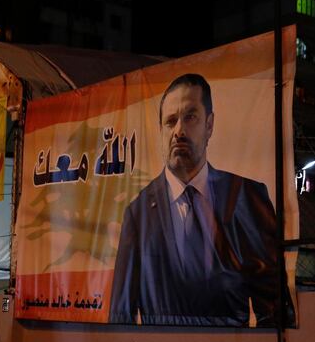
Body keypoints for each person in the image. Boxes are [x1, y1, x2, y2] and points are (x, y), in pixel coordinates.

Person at [110, 73, 277, 326]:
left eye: (190, 117)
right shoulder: (139, 213)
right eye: (170, 121)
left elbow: (274, 307)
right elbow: (121, 314)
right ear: (161, 131)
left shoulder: (245, 196)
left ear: (209, 125)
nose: (179, 131)